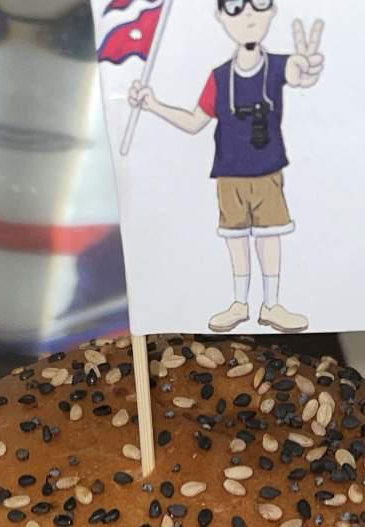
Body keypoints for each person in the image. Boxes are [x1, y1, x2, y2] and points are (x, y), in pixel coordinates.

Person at [128, 1, 324, 334]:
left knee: (269, 236)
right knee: (236, 239)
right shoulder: (219, 78)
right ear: (220, 17)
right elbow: (193, 122)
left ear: (271, 11)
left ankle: (272, 304)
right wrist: (153, 105)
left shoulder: (277, 66)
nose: (248, 14)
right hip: (230, 174)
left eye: (258, 5)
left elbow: (298, 73)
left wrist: (307, 68)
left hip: (267, 172)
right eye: (234, 7)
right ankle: (239, 302)